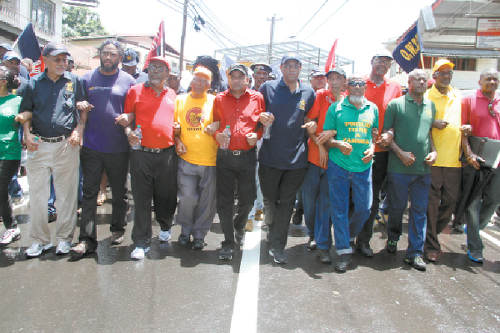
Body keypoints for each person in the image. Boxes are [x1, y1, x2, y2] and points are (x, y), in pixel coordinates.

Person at [70, 40, 136, 259]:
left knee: (119, 192)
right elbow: (78, 105)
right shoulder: (86, 78)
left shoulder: (129, 81)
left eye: (113, 54)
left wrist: (130, 118)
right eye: (105, 53)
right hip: (91, 146)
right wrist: (80, 109)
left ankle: (118, 228)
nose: (108, 57)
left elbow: (134, 111)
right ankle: (86, 240)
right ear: (99, 55)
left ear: (120, 57)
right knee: (89, 193)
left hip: (118, 147)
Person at [20, 43, 86, 257]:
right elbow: (26, 112)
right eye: (57, 59)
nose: (62, 64)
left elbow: (83, 109)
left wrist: (79, 130)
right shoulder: (32, 84)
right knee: (38, 196)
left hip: (66, 145)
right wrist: (27, 134)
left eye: (65, 60)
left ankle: (64, 239)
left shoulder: (75, 81)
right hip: (39, 146)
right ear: (45, 60)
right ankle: (39, 240)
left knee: (66, 196)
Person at [258, 55, 316, 264]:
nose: (292, 69)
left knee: (286, 204)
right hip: (270, 158)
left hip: (297, 160)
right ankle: (272, 229)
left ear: (301, 68)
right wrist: (261, 119)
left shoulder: (309, 92)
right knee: (271, 201)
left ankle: (277, 245)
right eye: (287, 65)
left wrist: (313, 126)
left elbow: (312, 119)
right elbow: (255, 114)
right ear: (281, 68)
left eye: (296, 66)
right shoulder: (267, 88)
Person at [124, 56, 178, 260]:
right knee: (141, 198)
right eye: (152, 67)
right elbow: (127, 118)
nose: (154, 71)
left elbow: (175, 122)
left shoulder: (173, 94)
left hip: (167, 154)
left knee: (166, 196)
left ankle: (165, 225)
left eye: (160, 68)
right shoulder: (135, 91)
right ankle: (141, 241)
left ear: (167, 73)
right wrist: (128, 132)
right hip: (141, 153)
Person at [323, 75, 378, 272]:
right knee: (339, 208)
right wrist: (337, 143)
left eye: (360, 84)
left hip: (363, 167)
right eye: (353, 84)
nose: (356, 88)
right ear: (347, 87)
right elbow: (326, 138)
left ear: (365, 87)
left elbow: (374, 136)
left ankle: (347, 236)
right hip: (339, 165)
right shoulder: (335, 108)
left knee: (365, 208)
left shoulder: (372, 109)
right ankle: (343, 251)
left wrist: (373, 149)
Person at [384, 69, 437, 271]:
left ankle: (415, 252)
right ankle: (393, 236)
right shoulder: (396, 105)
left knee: (419, 212)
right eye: (418, 79)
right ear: (410, 82)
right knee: (396, 209)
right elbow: (387, 135)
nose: (422, 82)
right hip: (398, 168)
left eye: (425, 80)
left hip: (423, 170)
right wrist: (401, 154)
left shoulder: (430, 106)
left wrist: (434, 152)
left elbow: (429, 133)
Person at [213, 64, 265, 260]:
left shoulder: (257, 98)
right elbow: (214, 124)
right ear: (228, 79)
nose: (236, 80)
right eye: (232, 76)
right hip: (225, 156)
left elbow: (261, 124)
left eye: (240, 77)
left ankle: (238, 226)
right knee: (224, 201)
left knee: (248, 199)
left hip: (247, 156)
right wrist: (217, 135)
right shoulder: (219, 99)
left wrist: (257, 134)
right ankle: (228, 241)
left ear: (247, 80)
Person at [353, 51, 402, 257]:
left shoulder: (395, 87)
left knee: (371, 200)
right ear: (371, 62)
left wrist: (389, 134)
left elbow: (397, 117)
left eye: (387, 62)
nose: (383, 65)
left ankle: (363, 240)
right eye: (379, 61)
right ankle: (346, 235)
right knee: (352, 197)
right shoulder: (359, 83)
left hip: (382, 152)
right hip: (357, 149)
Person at [173, 66, 217, 250]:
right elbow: (173, 126)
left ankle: (199, 234)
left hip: (211, 160)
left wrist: (217, 124)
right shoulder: (180, 100)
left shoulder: (216, 101)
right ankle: (185, 230)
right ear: (191, 81)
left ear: (209, 84)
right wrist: (176, 139)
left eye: (204, 81)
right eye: (196, 79)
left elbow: (225, 120)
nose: (199, 83)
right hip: (187, 159)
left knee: (207, 202)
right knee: (187, 198)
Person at [304, 67, 346, 262]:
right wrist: (320, 146)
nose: (334, 82)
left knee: (325, 203)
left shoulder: (348, 100)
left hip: (336, 161)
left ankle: (322, 240)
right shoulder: (321, 95)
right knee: (309, 202)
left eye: (338, 78)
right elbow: (309, 121)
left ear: (344, 81)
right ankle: (312, 233)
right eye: (331, 78)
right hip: (314, 157)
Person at [424, 59, 462, 262]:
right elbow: (420, 125)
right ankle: (431, 244)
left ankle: (428, 234)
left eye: (449, 73)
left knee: (449, 203)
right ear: (435, 76)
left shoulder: (457, 95)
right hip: (434, 160)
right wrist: (432, 123)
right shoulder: (427, 96)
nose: (446, 76)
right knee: (431, 204)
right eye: (442, 73)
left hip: (454, 161)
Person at [460, 68, 500, 263]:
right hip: (476, 156)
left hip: (497, 159)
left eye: (495, 79)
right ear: (479, 81)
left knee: (493, 199)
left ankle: (475, 228)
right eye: (488, 78)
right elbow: (462, 131)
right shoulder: (469, 100)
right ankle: (475, 246)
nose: (492, 82)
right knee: (472, 203)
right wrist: (469, 154)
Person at [247, 62, 273, 231]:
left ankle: (259, 208)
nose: (261, 76)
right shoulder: (247, 92)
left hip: (266, 138)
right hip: (248, 138)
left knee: (260, 175)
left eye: (264, 74)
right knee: (249, 175)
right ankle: (249, 211)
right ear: (253, 75)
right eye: (258, 73)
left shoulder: (271, 92)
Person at [0, 66, 23, 245]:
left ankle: (12, 227)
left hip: (9, 152)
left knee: (1, 188)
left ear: (4, 82)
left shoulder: (17, 101)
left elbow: (29, 124)